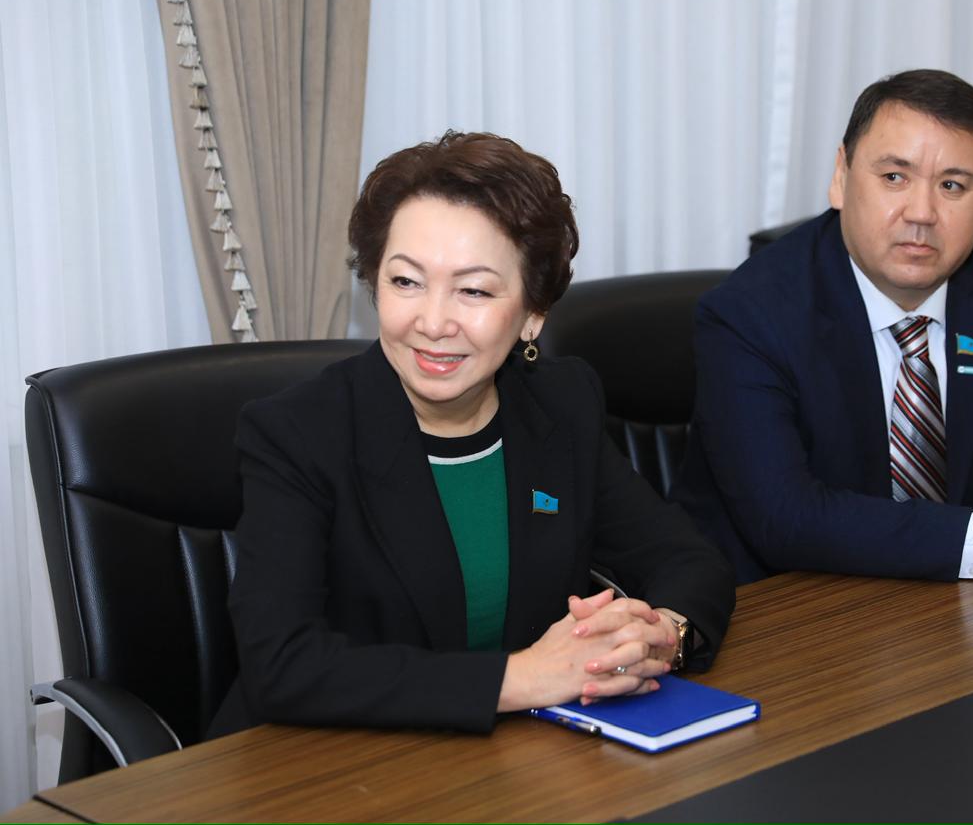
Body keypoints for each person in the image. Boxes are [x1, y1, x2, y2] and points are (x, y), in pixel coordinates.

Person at [210, 131, 735, 737]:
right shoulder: (297, 434)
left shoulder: (560, 403)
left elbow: (684, 558)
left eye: (474, 290)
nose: (433, 322)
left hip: (503, 759)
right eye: (406, 282)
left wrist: (661, 636)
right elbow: (281, 665)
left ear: (533, 314)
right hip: (322, 762)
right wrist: (525, 677)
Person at [673, 69, 973, 585]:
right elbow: (785, 517)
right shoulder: (750, 313)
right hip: (787, 606)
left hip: (958, 604)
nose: (922, 213)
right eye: (894, 177)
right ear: (841, 177)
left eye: (952, 186)